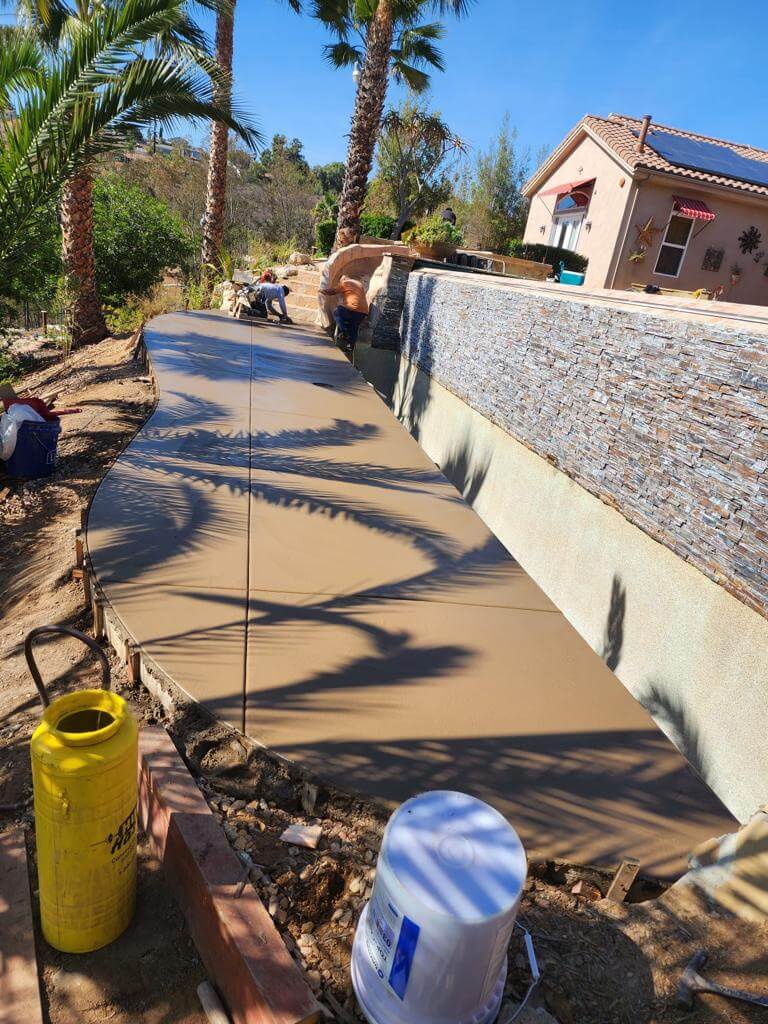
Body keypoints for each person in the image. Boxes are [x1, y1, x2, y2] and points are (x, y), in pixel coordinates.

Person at [320, 275, 369, 354]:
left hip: (353, 309)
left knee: (337, 312)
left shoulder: (345, 283)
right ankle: (350, 347)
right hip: (363, 312)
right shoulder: (359, 284)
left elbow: (333, 291)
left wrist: (322, 291)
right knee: (354, 327)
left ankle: (345, 333)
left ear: (343, 279)